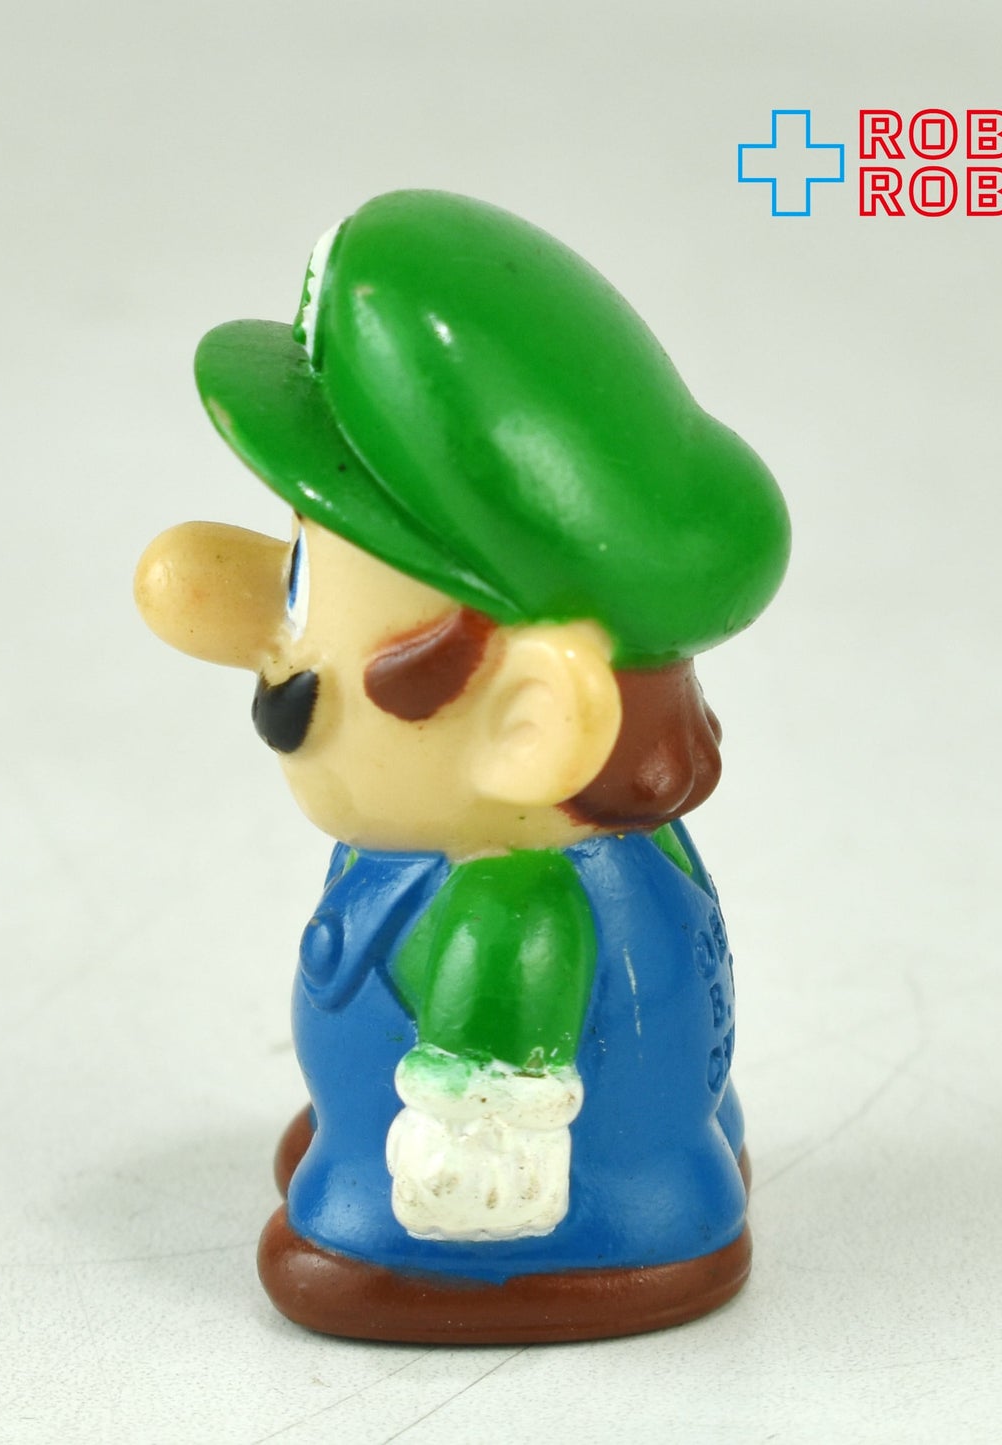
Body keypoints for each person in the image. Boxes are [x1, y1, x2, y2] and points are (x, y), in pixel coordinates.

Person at [135, 190, 790, 1342]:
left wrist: (446, 1165)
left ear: (525, 723)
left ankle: (548, 1215)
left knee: (385, 1191)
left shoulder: (511, 906)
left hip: (564, 1183)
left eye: (307, 598)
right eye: (299, 563)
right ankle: (384, 1122)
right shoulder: (448, 829)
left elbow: (490, 1109)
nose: (260, 646)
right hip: (605, 1100)